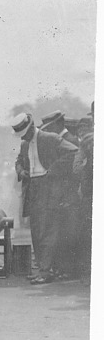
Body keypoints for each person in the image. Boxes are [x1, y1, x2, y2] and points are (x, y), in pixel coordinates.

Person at [11, 112, 78, 284]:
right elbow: (18, 161)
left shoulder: (50, 138)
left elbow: (73, 151)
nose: (23, 138)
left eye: (24, 133)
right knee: (36, 231)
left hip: (49, 188)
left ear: (32, 127)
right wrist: (21, 171)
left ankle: (46, 271)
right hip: (33, 188)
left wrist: (54, 170)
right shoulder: (25, 144)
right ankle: (42, 268)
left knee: (48, 230)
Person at [38, 110, 80, 280]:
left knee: (67, 233)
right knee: (61, 232)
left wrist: (51, 171)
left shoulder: (70, 140)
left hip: (67, 193)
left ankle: (67, 270)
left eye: (49, 128)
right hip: (59, 194)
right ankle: (61, 269)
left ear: (57, 124)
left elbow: (72, 172)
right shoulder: (58, 141)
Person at [72, 115, 93, 284]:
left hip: (88, 193)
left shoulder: (85, 142)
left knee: (86, 230)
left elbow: (77, 169)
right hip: (88, 192)